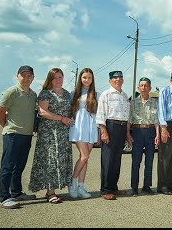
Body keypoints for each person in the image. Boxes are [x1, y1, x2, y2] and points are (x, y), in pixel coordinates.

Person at [28, 68, 74, 204]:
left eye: (61, 77)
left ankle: (54, 189)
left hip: (63, 132)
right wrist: (61, 118)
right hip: (49, 132)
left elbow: (70, 111)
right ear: (50, 79)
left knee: (60, 160)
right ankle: (50, 192)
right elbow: (42, 112)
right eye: (55, 78)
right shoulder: (45, 93)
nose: (58, 80)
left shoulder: (66, 94)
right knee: (50, 161)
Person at [0, 65, 38, 209]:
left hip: (26, 135)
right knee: (7, 167)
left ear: (33, 77)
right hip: (12, 134)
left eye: (29, 75)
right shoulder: (11, 92)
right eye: (23, 75)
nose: (26, 78)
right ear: (17, 76)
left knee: (19, 166)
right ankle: (4, 198)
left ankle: (16, 192)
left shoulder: (33, 95)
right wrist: (7, 128)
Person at [96, 70, 131, 200]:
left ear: (123, 80)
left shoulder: (124, 95)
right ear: (110, 81)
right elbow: (100, 115)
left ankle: (113, 187)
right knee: (107, 159)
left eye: (120, 78)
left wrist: (127, 133)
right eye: (114, 78)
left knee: (117, 159)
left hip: (122, 128)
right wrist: (103, 131)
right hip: (110, 127)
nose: (117, 80)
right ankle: (105, 189)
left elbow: (127, 117)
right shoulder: (106, 94)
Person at [68, 68, 99, 199]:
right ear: (80, 78)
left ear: (92, 80)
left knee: (85, 159)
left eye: (89, 78)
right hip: (79, 127)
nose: (87, 80)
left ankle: (81, 187)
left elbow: (98, 113)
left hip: (91, 128)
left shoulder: (97, 94)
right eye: (84, 77)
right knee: (84, 157)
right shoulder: (73, 93)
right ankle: (72, 181)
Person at [129, 77, 160, 196]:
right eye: (141, 85)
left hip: (150, 131)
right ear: (138, 88)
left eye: (146, 86)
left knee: (149, 161)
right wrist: (128, 134)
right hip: (137, 132)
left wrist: (157, 134)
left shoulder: (154, 102)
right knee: (136, 161)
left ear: (150, 88)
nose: (143, 88)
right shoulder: (133, 102)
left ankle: (146, 186)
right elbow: (129, 120)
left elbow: (156, 120)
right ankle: (134, 187)